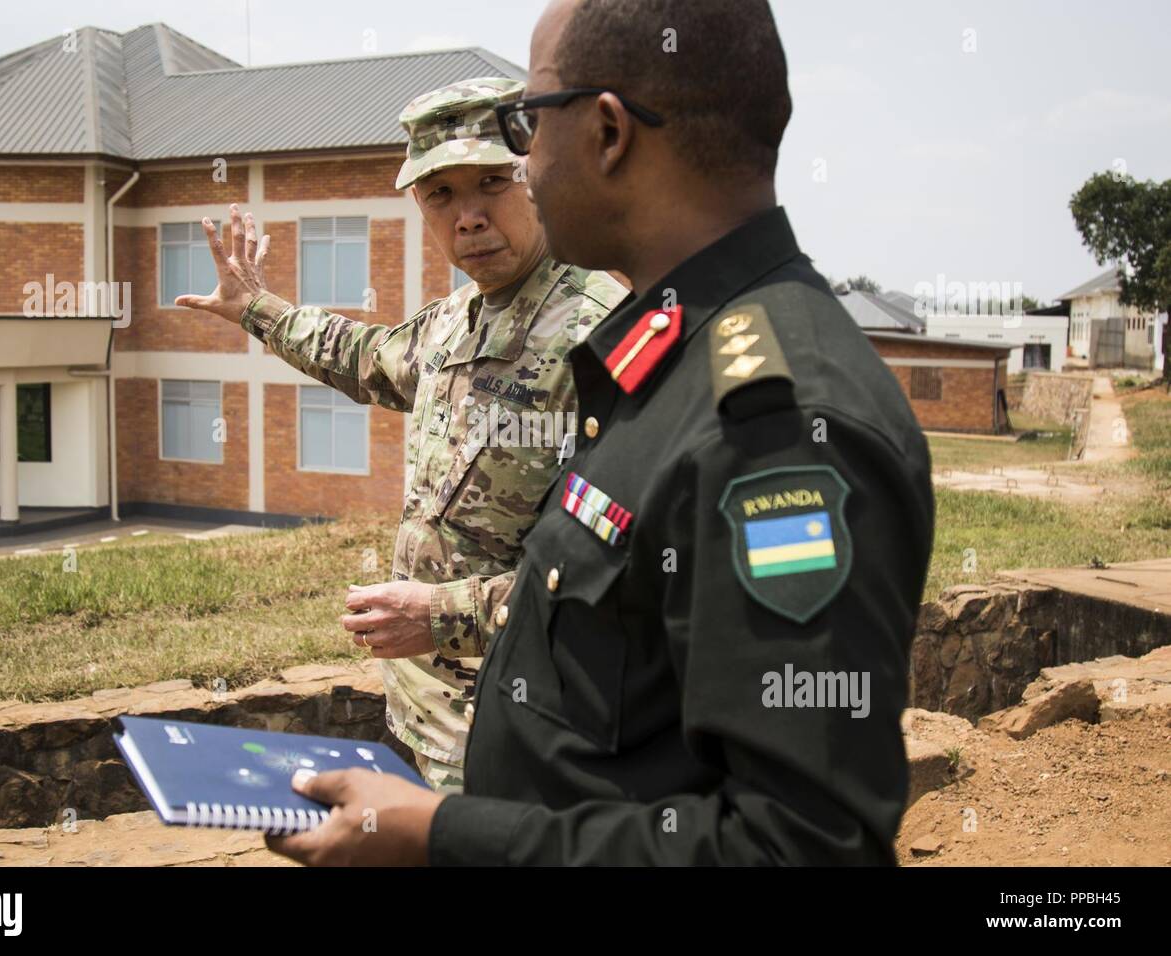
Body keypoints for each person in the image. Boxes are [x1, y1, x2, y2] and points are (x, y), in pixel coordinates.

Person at [265, 0, 935, 866]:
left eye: (527, 124)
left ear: (608, 132)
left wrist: (440, 835)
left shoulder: (778, 427)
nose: (524, 160)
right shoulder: (664, 358)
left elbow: (796, 845)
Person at [175, 77, 627, 792]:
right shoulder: (456, 320)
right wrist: (255, 308)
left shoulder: (602, 335)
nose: (469, 217)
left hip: (531, 737)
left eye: (491, 183)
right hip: (429, 722)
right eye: (440, 195)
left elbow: (626, 575)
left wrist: (441, 613)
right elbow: (362, 357)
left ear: (537, 177)